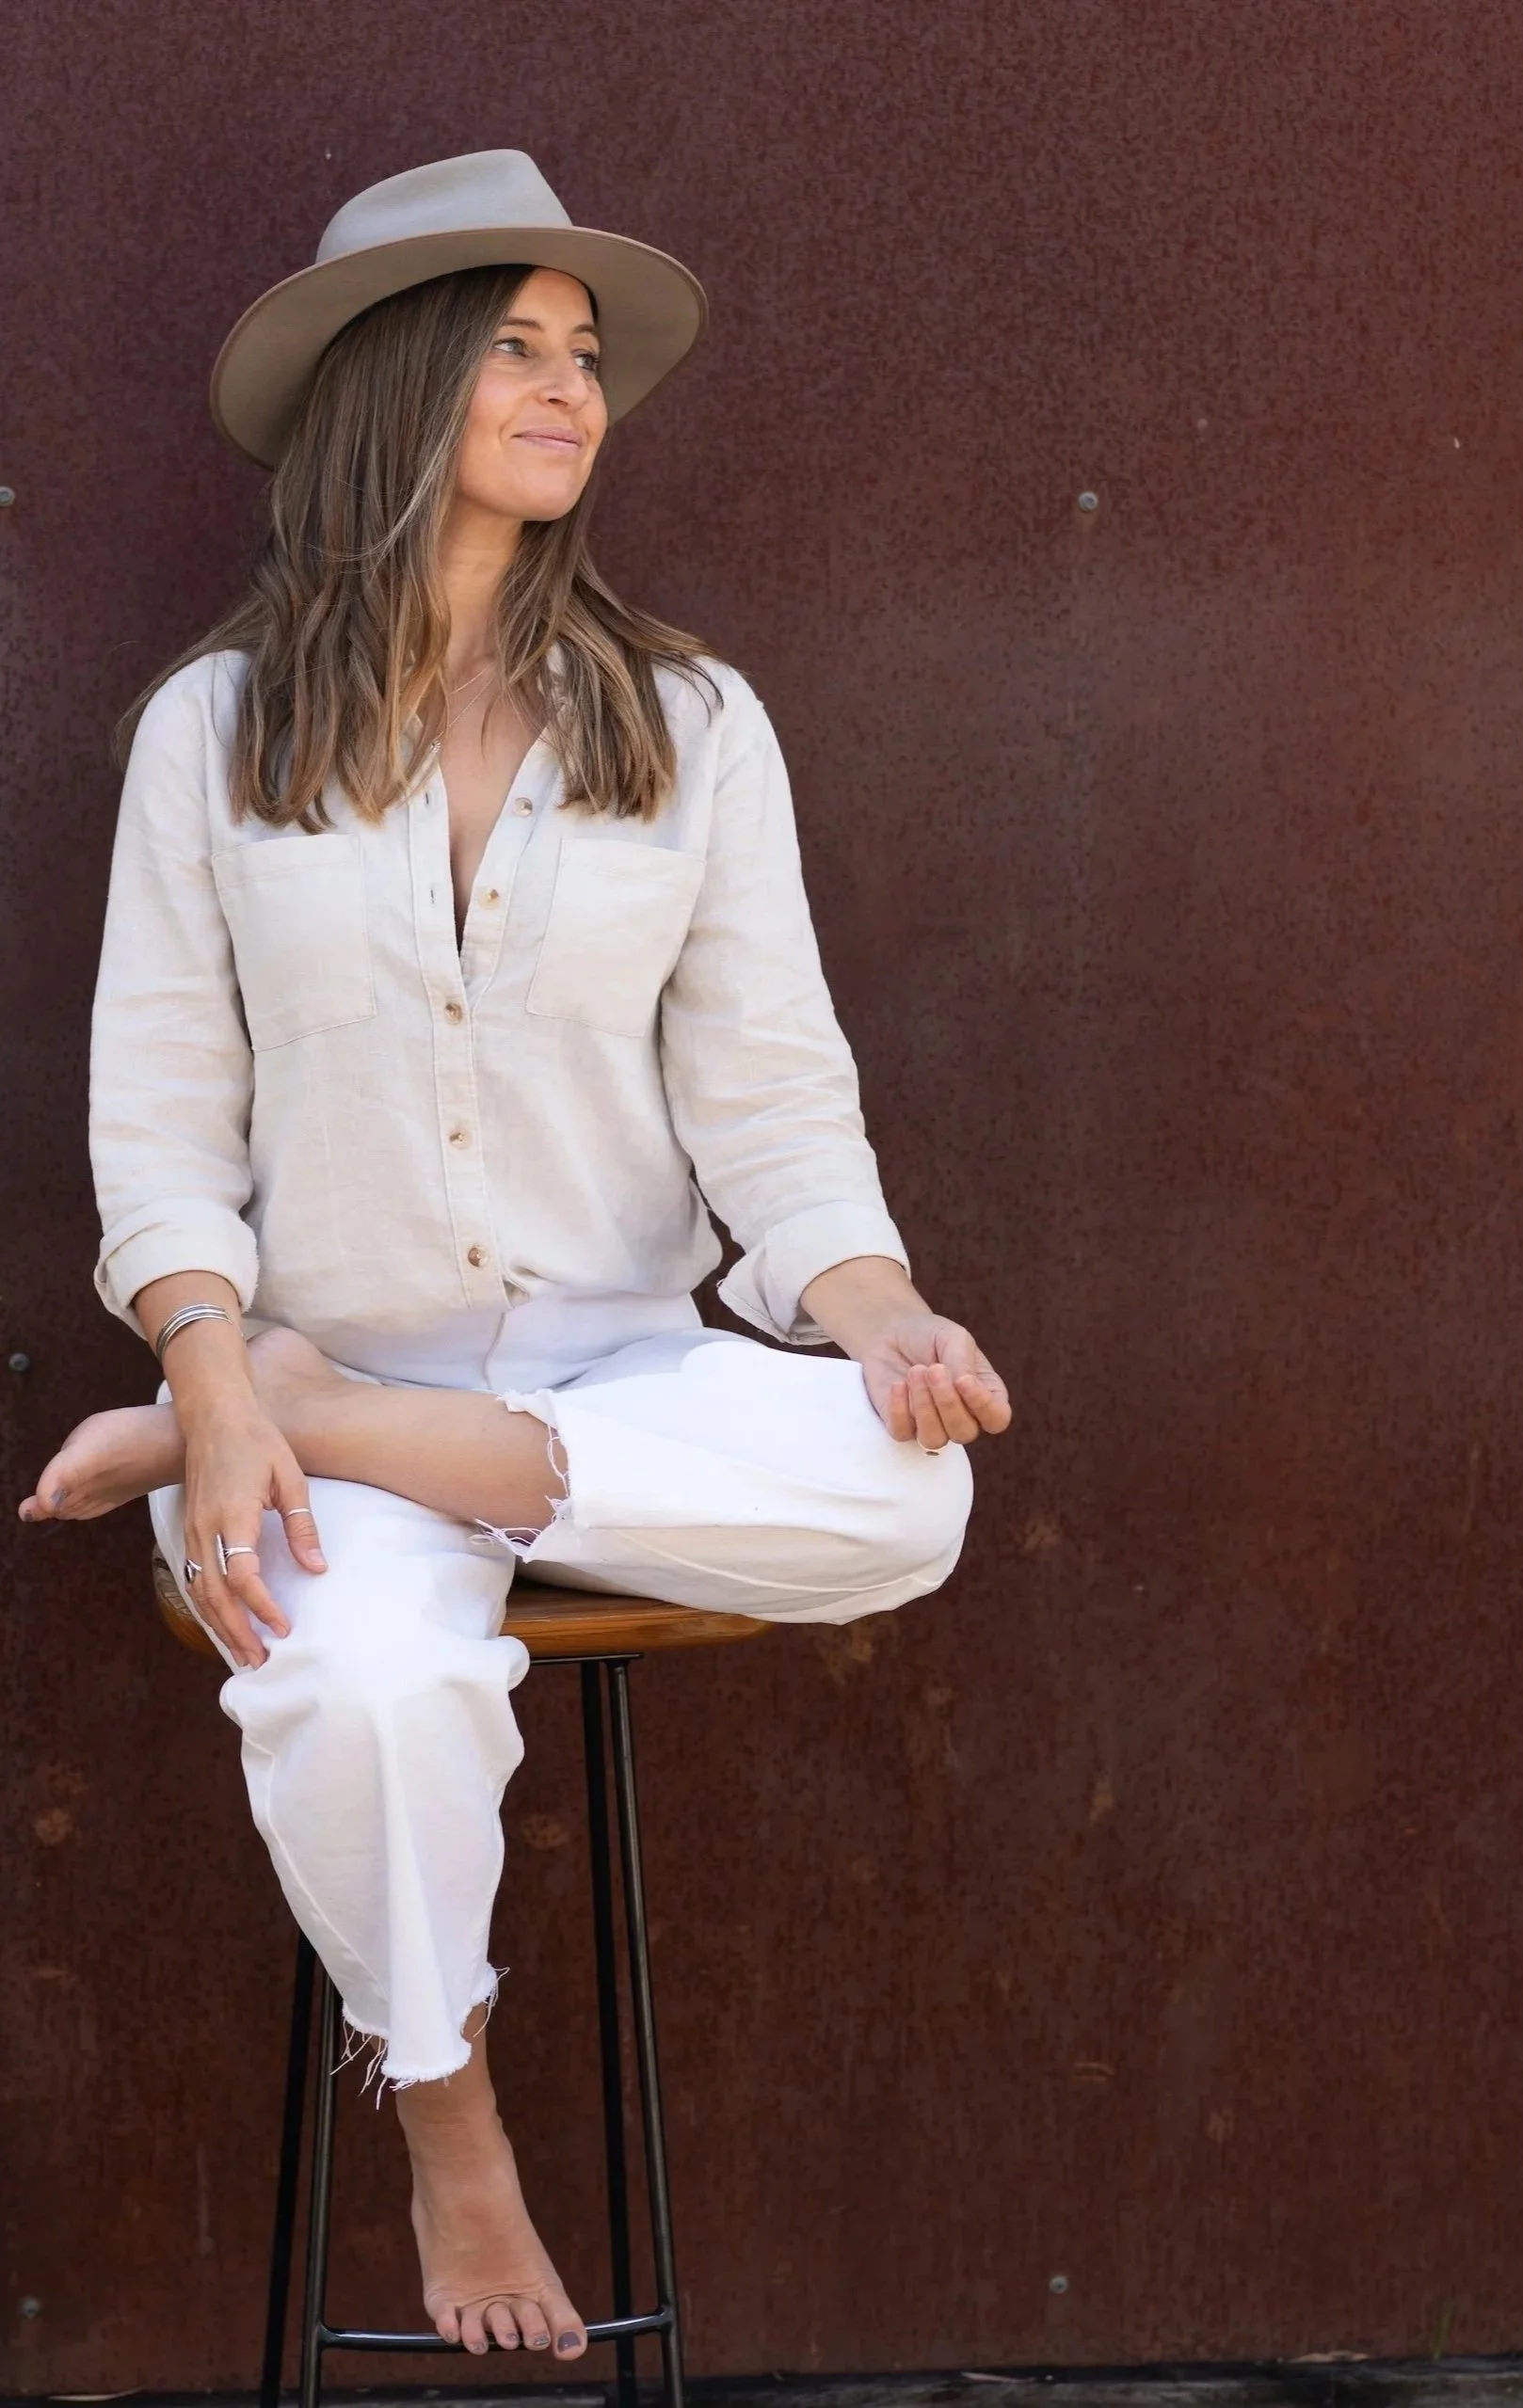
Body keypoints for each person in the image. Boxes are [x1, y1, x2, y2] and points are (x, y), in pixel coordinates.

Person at [19, 151, 1011, 2359]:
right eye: (516, 348)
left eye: (587, 357)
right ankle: (453, 2138)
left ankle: (337, 1428)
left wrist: (883, 1313)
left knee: (914, 1494)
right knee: (366, 1680)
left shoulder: (691, 723)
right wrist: (213, 1361)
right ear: (393, 387)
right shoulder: (216, 734)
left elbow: (773, 1098)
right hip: (289, 1362)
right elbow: (160, 1120)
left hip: (609, 1376)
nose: (574, 390)